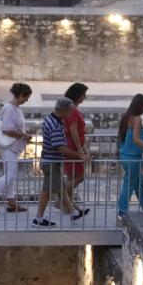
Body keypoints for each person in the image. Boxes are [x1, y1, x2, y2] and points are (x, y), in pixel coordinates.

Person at [0, 83, 33, 215]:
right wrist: (24, 135)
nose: (27, 100)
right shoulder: (10, 109)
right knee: (10, 175)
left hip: (12, 147)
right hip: (9, 147)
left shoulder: (14, 108)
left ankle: (11, 202)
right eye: (26, 97)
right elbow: (7, 130)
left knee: (9, 175)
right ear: (21, 95)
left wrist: (23, 133)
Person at [117, 94, 143, 216]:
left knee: (138, 184)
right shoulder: (137, 119)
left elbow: (121, 137)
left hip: (125, 155)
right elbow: (136, 139)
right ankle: (122, 211)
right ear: (141, 106)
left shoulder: (126, 117)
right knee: (129, 185)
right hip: (133, 158)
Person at [34, 98, 73, 227]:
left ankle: (73, 213)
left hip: (50, 162)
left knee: (61, 188)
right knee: (47, 191)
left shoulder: (50, 119)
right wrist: (80, 155)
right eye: (70, 111)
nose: (71, 114)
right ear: (64, 110)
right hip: (51, 163)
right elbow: (60, 147)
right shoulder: (55, 125)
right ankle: (39, 219)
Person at [63, 83, 92, 217]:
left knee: (72, 177)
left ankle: (69, 207)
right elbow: (74, 131)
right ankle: (62, 196)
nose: (84, 97)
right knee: (79, 176)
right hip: (73, 147)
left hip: (73, 145)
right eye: (83, 95)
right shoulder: (73, 111)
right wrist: (80, 150)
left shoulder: (72, 109)